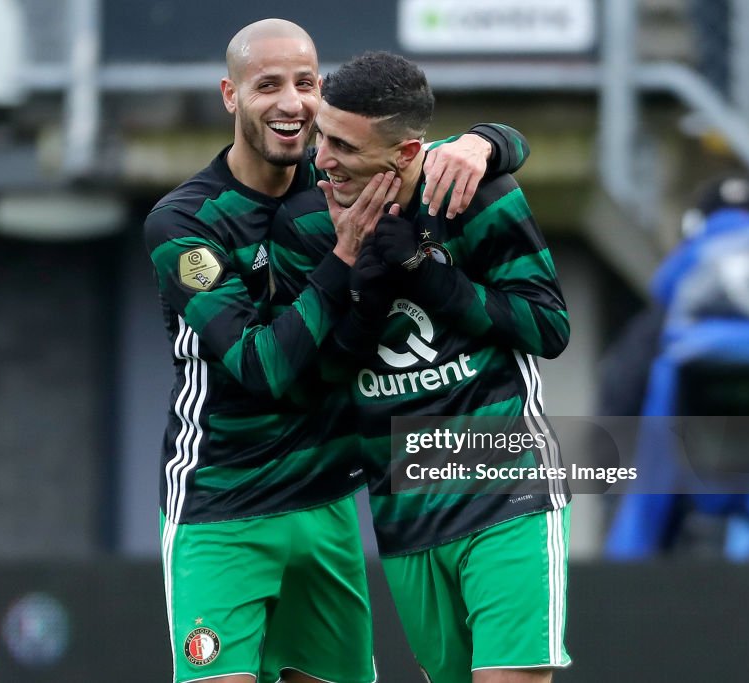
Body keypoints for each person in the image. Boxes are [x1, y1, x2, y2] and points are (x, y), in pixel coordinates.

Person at [143, 19, 532, 683]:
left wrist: (483, 143)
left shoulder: (343, 171)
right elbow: (260, 366)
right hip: (222, 501)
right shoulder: (185, 222)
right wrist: (345, 255)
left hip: (326, 501)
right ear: (230, 96)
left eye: (305, 83)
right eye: (267, 85)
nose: (291, 102)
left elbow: (442, 150)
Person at [271, 52, 571, 682]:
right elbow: (315, 377)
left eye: (343, 146)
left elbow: (548, 326)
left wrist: (432, 277)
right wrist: (358, 289)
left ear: (407, 154)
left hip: (505, 485)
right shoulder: (303, 225)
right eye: (322, 134)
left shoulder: (475, 194)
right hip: (403, 502)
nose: (321, 157)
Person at [601, 176, 749, 562]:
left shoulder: (691, 254)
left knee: (648, 500)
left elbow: (628, 372)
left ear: (695, 222)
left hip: (687, 381)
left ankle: (619, 595)